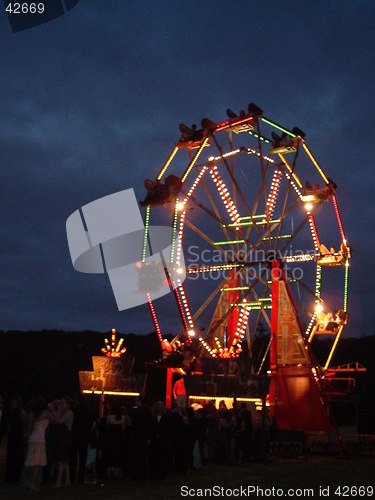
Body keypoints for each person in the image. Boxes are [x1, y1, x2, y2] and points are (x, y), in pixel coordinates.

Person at [24, 396, 56, 491]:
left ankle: (30, 482)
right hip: (40, 439)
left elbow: (29, 429)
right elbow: (56, 421)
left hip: (33, 438)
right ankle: (32, 483)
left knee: (31, 462)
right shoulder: (45, 413)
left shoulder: (32, 414)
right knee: (37, 462)